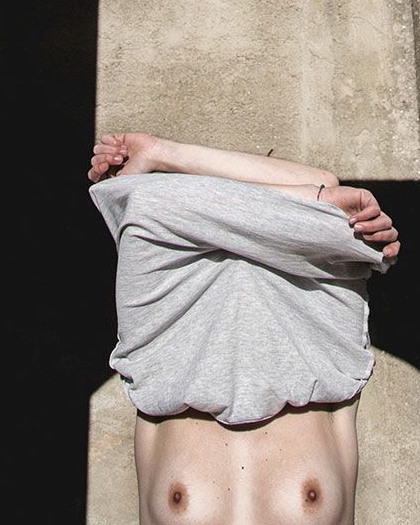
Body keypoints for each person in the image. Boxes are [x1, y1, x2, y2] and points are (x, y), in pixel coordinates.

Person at [87, 129, 401, 525]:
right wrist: (314, 199)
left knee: (143, 204)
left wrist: (164, 154)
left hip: (197, 340)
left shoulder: (164, 364)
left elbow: (143, 205)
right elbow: (328, 191)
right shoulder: (166, 362)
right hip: (225, 334)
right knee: (341, 220)